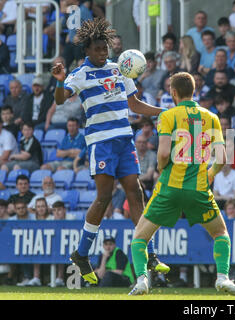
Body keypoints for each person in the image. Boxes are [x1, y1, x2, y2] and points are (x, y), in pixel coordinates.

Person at [51, 18, 168, 285]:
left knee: (136, 194)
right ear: (88, 51)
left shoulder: (119, 70)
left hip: (125, 141)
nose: (104, 53)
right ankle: (82, 254)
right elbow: (60, 100)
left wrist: (164, 111)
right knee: (103, 198)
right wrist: (59, 82)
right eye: (99, 49)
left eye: (106, 48)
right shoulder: (79, 75)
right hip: (101, 143)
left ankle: (150, 254)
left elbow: (135, 105)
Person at [128, 72, 235, 296]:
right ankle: (222, 277)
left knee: (140, 237)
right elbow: (221, 158)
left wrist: (162, 166)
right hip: (199, 188)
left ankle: (143, 280)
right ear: (194, 91)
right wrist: (210, 174)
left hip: (169, 187)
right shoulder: (211, 117)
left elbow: (163, 152)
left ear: (173, 92)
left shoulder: (168, 116)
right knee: (221, 234)